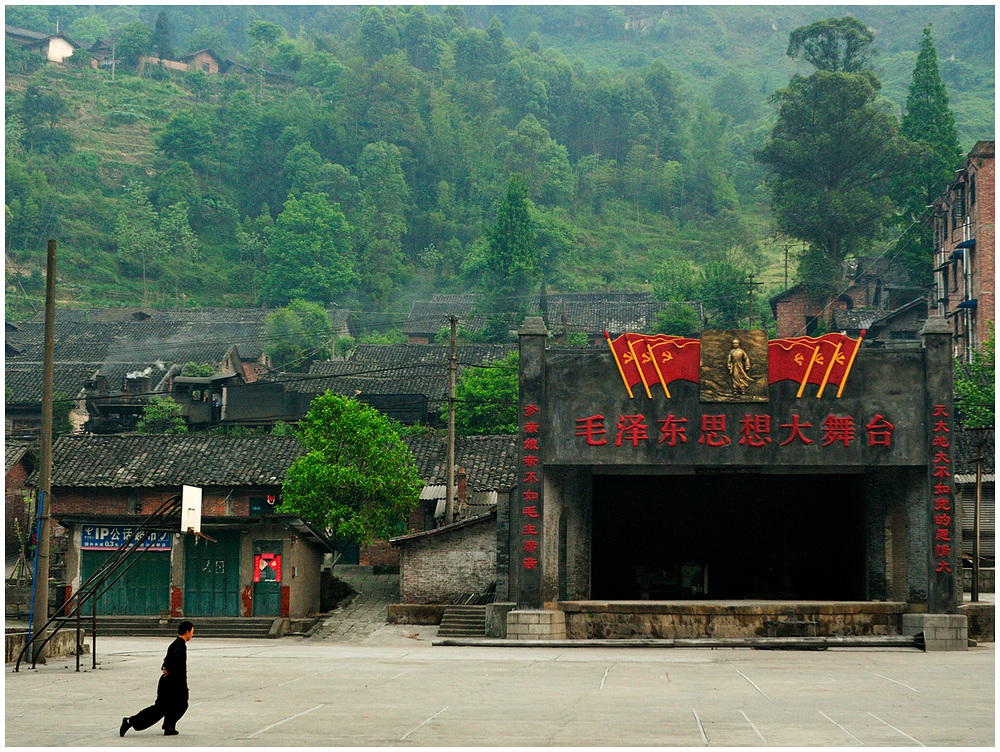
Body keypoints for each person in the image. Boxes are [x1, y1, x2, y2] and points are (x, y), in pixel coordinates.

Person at [120, 621, 193, 737]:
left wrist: (165, 667)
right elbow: (173, 661)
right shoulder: (180, 646)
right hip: (172, 683)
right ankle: (130, 721)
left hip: (171, 681)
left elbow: (166, 660)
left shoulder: (175, 644)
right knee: (161, 708)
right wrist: (168, 669)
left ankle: (169, 726)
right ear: (187, 632)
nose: (192, 635)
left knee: (178, 705)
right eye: (192, 631)